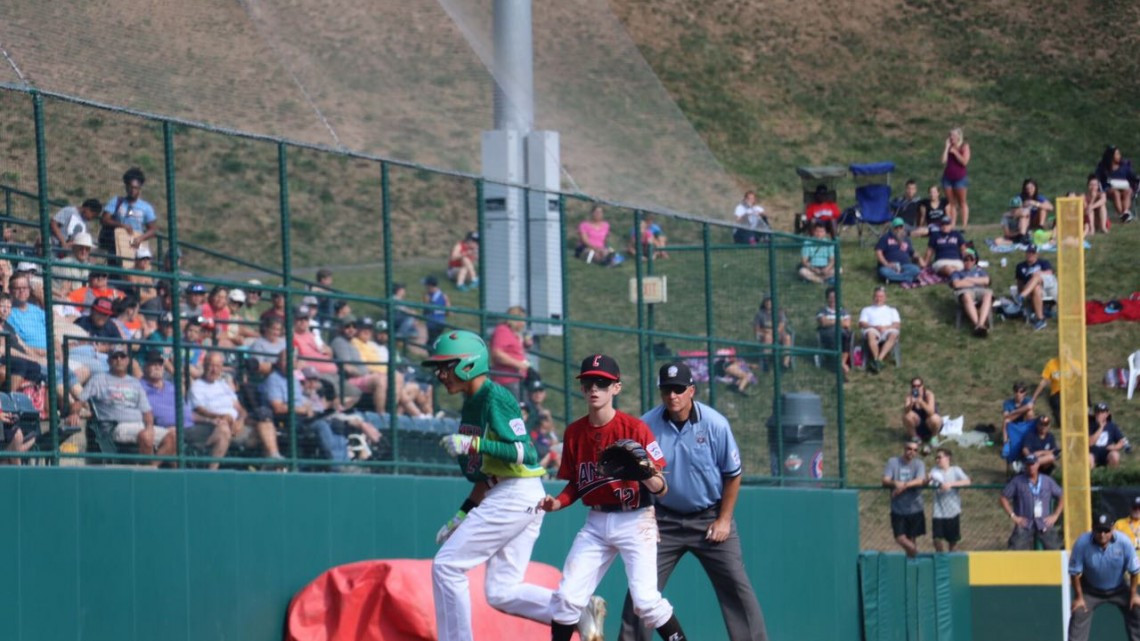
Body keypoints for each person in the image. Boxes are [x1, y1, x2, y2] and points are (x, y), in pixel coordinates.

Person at [420, 331, 604, 641]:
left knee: (447, 567)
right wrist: (460, 516)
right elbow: (484, 478)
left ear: (467, 365)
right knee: (501, 591)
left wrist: (473, 443)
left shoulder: (496, 397)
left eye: (445, 366)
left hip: (515, 492)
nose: (439, 374)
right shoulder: (470, 403)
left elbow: (524, 452)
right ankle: (575, 610)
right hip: (509, 493)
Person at [539, 354, 687, 641]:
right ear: (582, 389)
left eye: (602, 383)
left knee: (646, 601)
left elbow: (662, 488)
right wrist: (557, 502)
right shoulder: (574, 433)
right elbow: (576, 485)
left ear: (616, 388)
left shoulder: (635, 429)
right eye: (589, 383)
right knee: (566, 598)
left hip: (636, 520)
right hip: (596, 522)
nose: (595, 389)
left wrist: (644, 472)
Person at [619, 362, 767, 641]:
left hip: (709, 518)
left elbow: (733, 475)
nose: (672, 396)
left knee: (737, 589)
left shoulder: (715, 424)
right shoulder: (646, 425)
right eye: (666, 390)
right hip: (663, 520)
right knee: (641, 591)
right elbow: (637, 475)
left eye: (678, 389)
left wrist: (723, 520)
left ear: (691, 391)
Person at [68, 345, 158, 462]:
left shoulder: (135, 382)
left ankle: (153, 470)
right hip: (115, 427)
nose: (119, 360)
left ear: (128, 360)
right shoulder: (99, 379)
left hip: (141, 425)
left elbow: (147, 411)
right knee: (146, 437)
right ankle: (147, 476)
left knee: (172, 437)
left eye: (122, 356)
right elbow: (79, 401)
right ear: (109, 360)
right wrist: (74, 413)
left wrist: (149, 427)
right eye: (115, 357)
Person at [259, 349, 347, 464]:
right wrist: (302, 410)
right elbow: (277, 407)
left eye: (293, 360)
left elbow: (301, 400)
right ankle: (336, 466)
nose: (290, 363)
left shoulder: (294, 380)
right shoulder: (274, 380)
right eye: (286, 360)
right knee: (321, 426)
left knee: (337, 424)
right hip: (289, 420)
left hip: (305, 417)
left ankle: (345, 462)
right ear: (279, 362)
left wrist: (309, 407)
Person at [1067, 513, 1140, 641]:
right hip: (1090, 590)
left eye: (1106, 531)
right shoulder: (1082, 543)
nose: (1102, 535)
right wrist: (1079, 597)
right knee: (1078, 612)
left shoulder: (1124, 542)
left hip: (1120, 588)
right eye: (1099, 530)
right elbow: (1074, 573)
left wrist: (1133, 595)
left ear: (1112, 529)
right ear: (1092, 528)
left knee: (1137, 608)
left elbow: (1134, 571)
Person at [1000, 453, 1064, 550]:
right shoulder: (1017, 481)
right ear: (1025, 466)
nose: (1031, 467)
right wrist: (1013, 516)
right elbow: (1003, 497)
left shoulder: (1047, 481)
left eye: (1033, 464)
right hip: (1025, 524)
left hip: (1044, 523)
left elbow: (1062, 496)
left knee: (1056, 550)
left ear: (1038, 464)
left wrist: (1055, 515)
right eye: (1028, 464)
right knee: (1014, 551)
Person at [100, 167, 158, 264]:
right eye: (130, 187)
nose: (132, 190)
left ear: (139, 188)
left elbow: (153, 230)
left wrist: (141, 238)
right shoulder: (117, 201)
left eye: (136, 188)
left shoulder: (146, 208)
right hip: (117, 245)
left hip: (136, 247)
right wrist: (122, 225)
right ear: (126, 187)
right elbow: (104, 219)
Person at [882, 439, 926, 558]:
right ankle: (917, 555)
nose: (911, 452)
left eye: (915, 450)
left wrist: (904, 486)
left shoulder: (919, 464)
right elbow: (885, 480)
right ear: (904, 449)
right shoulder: (893, 462)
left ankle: (912, 565)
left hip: (915, 507)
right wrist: (895, 483)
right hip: (898, 509)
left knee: (912, 539)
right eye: (909, 449)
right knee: (900, 538)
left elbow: (919, 480)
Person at [928, 448, 970, 552]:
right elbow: (929, 480)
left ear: (948, 458)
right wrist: (928, 479)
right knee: (936, 539)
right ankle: (942, 558)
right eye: (936, 458)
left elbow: (967, 481)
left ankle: (951, 559)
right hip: (938, 512)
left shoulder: (955, 470)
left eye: (940, 457)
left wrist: (951, 484)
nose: (937, 460)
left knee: (952, 542)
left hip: (953, 511)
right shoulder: (934, 470)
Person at [489, 306, 532, 399]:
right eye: (522, 320)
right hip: (507, 379)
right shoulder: (502, 330)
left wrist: (525, 344)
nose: (524, 324)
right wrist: (518, 364)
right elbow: (497, 353)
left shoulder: (514, 333)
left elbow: (513, 350)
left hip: (517, 378)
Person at [949, 249, 993, 336]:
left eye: (971, 259)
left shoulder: (980, 271)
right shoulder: (957, 272)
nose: (968, 262)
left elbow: (987, 281)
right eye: (966, 259)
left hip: (980, 291)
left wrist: (968, 279)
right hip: (965, 291)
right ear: (962, 261)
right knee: (966, 296)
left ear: (974, 261)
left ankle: (980, 324)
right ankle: (978, 325)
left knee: (988, 294)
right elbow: (956, 284)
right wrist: (977, 281)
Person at [858, 286, 901, 374]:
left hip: (888, 329)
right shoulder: (867, 310)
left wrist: (886, 328)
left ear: (885, 298)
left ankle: (879, 360)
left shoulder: (892, 310)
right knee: (870, 334)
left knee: (893, 334)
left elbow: (897, 324)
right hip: (873, 328)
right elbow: (862, 323)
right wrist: (874, 326)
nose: (878, 299)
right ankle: (875, 358)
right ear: (873, 297)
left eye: (881, 297)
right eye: (876, 296)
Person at [1014, 245, 1055, 332]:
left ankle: (1021, 296)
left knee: (1036, 276)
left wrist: (1038, 273)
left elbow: (1049, 273)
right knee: (1036, 287)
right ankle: (1041, 319)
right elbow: (1019, 282)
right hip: (1030, 289)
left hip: (1046, 287)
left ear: (1037, 254)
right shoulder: (1020, 266)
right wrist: (1020, 290)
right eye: (1028, 252)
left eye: (1033, 253)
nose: (1030, 254)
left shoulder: (1043, 263)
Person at [1095, 145, 1137, 222]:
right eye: (1117, 154)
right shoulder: (1103, 167)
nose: (1119, 156)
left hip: (1124, 187)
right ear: (1111, 156)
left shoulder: (1124, 166)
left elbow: (1134, 177)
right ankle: (1122, 215)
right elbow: (1096, 178)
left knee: (1128, 191)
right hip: (1109, 189)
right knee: (1115, 193)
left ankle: (1125, 212)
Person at [875, 217, 922, 284]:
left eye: (901, 227)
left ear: (903, 228)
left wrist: (917, 256)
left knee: (916, 270)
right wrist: (886, 264)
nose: (898, 229)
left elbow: (912, 252)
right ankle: (909, 279)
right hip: (890, 266)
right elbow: (878, 252)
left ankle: (894, 279)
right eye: (896, 227)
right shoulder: (885, 237)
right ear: (892, 228)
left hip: (905, 265)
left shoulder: (906, 239)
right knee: (884, 272)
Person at [816, 286, 852, 375]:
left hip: (842, 334)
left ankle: (841, 363)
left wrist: (831, 321)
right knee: (834, 334)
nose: (833, 300)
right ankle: (841, 365)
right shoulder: (822, 311)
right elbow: (823, 323)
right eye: (830, 297)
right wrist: (839, 321)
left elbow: (847, 324)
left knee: (845, 336)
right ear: (827, 298)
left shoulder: (844, 311)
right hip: (827, 334)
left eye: (835, 297)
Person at [941, 127, 971, 228]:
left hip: (960, 178)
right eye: (950, 135)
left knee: (962, 202)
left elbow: (965, 162)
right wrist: (946, 148)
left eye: (953, 135)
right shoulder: (949, 147)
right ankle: (952, 224)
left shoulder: (964, 146)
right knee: (951, 203)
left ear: (958, 136)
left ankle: (964, 225)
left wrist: (956, 152)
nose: (951, 137)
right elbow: (943, 161)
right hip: (948, 177)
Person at [52, 231, 96, 300]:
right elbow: (66, 290)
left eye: (87, 249)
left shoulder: (89, 266)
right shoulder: (65, 263)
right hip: (66, 299)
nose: (84, 251)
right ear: (74, 248)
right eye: (81, 248)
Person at [753, 294, 792, 370]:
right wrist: (765, 331)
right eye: (766, 301)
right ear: (764, 303)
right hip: (765, 334)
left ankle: (785, 363)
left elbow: (782, 325)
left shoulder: (779, 312)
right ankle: (766, 361)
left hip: (778, 333)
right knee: (768, 337)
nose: (768, 303)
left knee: (787, 337)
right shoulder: (760, 314)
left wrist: (773, 331)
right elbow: (756, 328)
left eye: (770, 301)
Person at [903, 377, 943, 444]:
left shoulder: (929, 395)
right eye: (914, 386)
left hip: (930, 424)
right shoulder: (909, 396)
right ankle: (915, 438)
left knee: (935, 418)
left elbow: (931, 412)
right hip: (918, 424)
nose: (916, 388)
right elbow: (906, 411)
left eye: (918, 386)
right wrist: (911, 403)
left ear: (922, 386)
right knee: (906, 416)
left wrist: (921, 402)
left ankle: (934, 437)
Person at [1090, 402, 1127, 469]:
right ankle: (1091, 477)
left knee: (1115, 455)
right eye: (1097, 412)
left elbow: (1122, 442)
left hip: (1106, 453)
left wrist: (1114, 447)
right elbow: (1090, 442)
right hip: (1092, 452)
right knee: (1088, 458)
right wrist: (1100, 428)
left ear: (1107, 414)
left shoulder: (1112, 426)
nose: (1099, 414)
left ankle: (1112, 476)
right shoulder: (1090, 425)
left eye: (1102, 412)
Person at [1030, 356, 1062, 427]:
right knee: (1057, 403)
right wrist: (1033, 398)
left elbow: (1080, 375)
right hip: (1057, 393)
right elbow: (1044, 382)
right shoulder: (1052, 364)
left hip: (1071, 392)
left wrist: (1070, 363)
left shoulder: (1074, 363)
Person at [423, 275, 450, 344]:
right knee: (435, 341)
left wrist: (427, 302)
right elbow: (448, 312)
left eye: (426, 285)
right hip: (441, 323)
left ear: (430, 286)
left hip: (432, 323)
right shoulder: (444, 295)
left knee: (430, 343)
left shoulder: (428, 296)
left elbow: (425, 312)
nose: (426, 287)